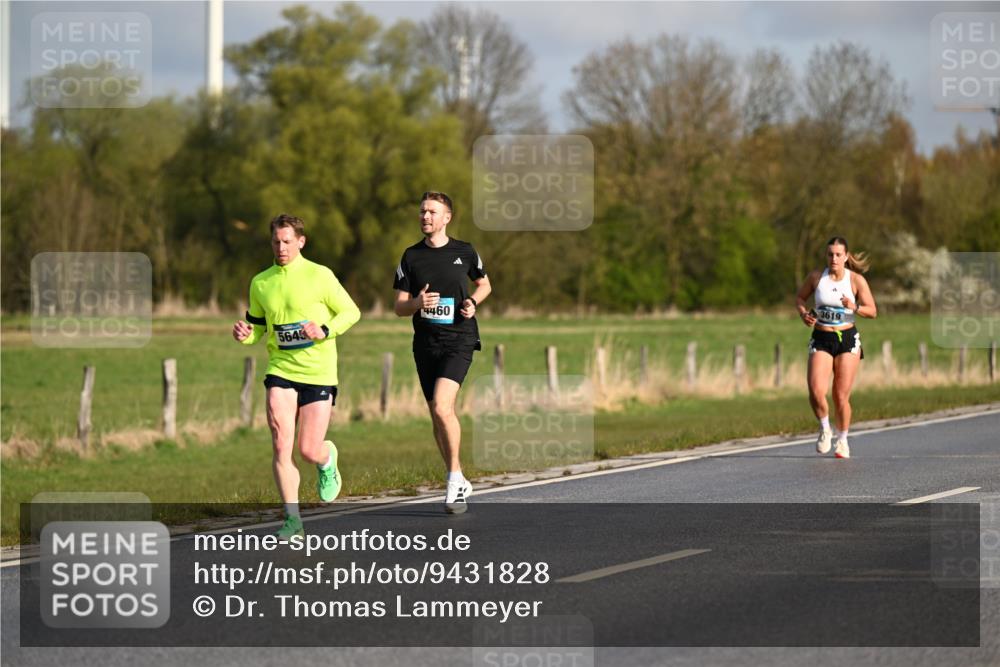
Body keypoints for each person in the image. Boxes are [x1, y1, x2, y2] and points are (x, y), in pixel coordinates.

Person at [232, 214, 361, 538]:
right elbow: (258, 327)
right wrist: (245, 333)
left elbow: (351, 312)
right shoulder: (261, 282)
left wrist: (324, 330)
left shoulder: (321, 276)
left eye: (287, 241)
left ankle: (326, 459)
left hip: (318, 372)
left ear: (301, 241)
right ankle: (292, 520)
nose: (281, 247)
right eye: (276, 241)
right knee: (280, 443)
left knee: (307, 449)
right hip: (281, 370)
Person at [393, 191, 492, 513]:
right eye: (422, 211)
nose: (425, 217)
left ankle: (453, 480)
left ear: (446, 217)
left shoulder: (464, 251)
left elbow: (485, 284)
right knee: (436, 414)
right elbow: (399, 307)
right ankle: (458, 476)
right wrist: (417, 304)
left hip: (459, 339)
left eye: (432, 212)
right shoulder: (410, 256)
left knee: (442, 407)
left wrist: (472, 303)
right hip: (425, 343)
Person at [796, 236, 877, 459]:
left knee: (840, 396)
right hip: (821, 337)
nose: (834, 258)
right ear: (826, 255)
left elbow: (872, 311)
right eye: (830, 254)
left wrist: (855, 306)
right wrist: (804, 314)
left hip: (847, 339)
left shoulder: (856, 280)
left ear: (846, 256)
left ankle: (842, 440)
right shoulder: (816, 278)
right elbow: (800, 298)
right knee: (815, 391)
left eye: (838, 254)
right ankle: (825, 428)